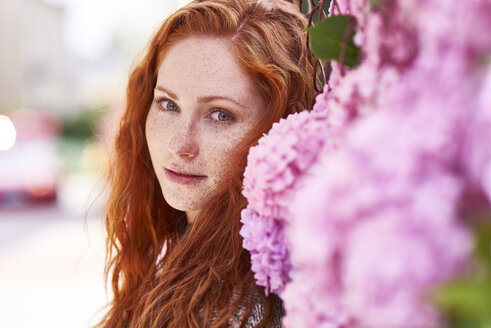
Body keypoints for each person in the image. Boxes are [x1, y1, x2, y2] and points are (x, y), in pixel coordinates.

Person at [97, 0, 316, 327]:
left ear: (279, 130)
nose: (180, 144)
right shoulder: (184, 247)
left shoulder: (243, 305)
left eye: (221, 115)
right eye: (168, 105)